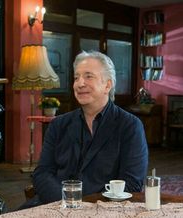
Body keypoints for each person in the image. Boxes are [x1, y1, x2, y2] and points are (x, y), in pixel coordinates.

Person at [21, 50, 148, 208]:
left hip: (104, 210)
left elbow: (132, 184)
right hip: (54, 204)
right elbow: (42, 173)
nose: (80, 83)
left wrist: (88, 207)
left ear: (107, 85)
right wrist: (65, 202)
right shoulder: (58, 125)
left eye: (88, 76)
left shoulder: (129, 126)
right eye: (76, 77)